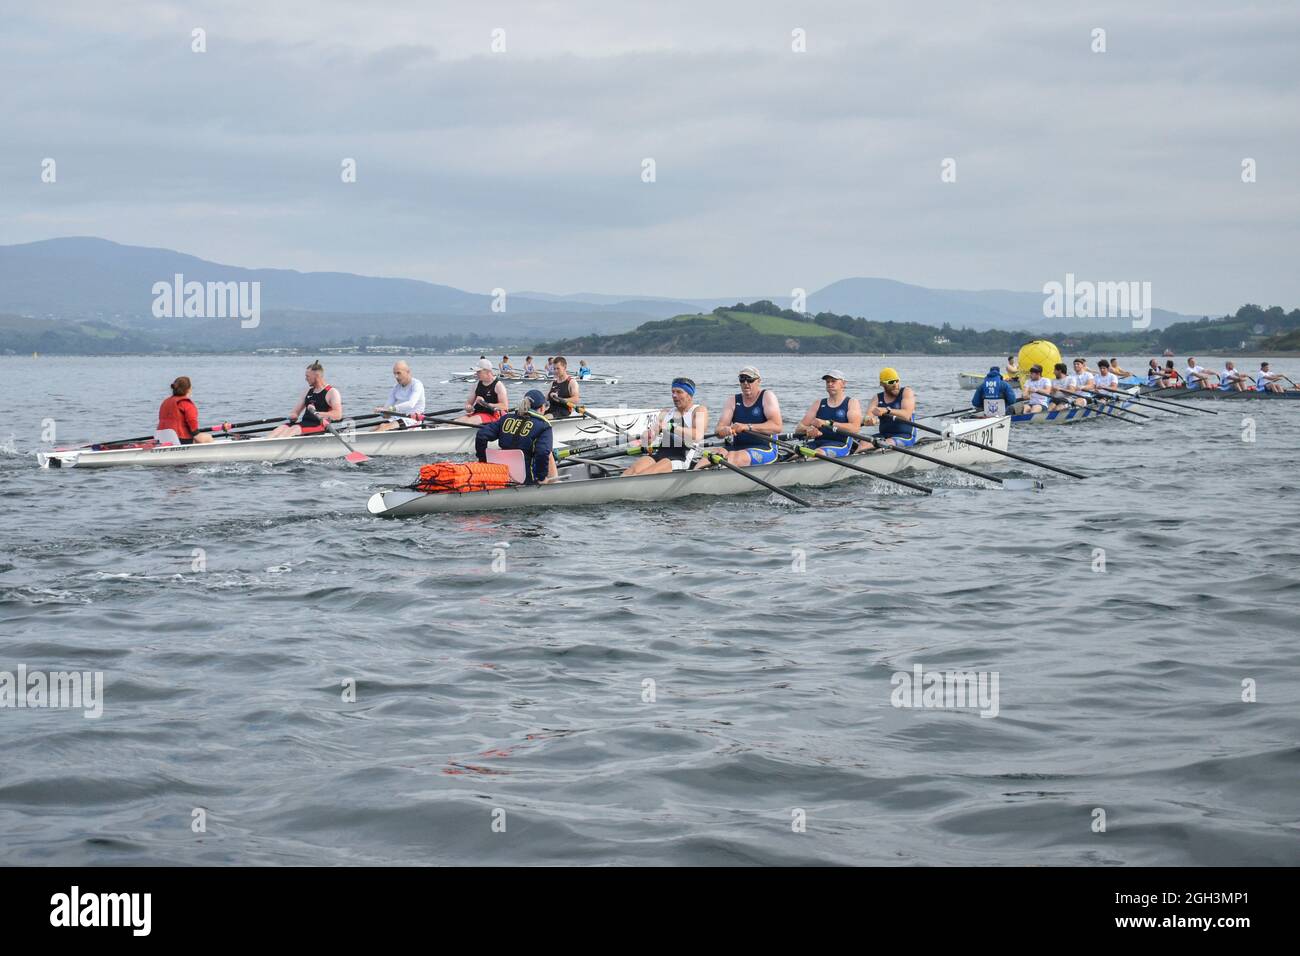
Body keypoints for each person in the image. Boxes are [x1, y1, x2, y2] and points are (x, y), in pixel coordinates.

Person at [623, 378, 710, 475]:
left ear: (689, 395)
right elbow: (651, 436)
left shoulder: (699, 410)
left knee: (651, 470)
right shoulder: (665, 413)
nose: (674, 395)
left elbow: (697, 435)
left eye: (679, 392)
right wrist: (646, 438)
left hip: (682, 458)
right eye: (673, 392)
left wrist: (670, 426)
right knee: (636, 467)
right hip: (660, 454)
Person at [701, 365, 783, 467]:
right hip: (737, 447)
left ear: (759, 381)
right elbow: (718, 430)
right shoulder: (732, 400)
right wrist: (724, 430)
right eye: (742, 380)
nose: (745, 383)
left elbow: (777, 426)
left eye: (750, 380)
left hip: (765, 448)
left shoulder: (767, 396)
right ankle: (694, 475)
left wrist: (747, 427)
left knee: (734, 457)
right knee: (711, 455)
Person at [475, 390, 555, 485]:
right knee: (548, 454)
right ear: (542, 408)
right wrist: (541, 477)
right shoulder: (544, 426)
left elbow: (481, 435)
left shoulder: (505, 418)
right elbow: (542, 452)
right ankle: (554, 484)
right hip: (526, 479)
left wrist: (483, 461)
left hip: (500, 473)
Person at [268, 360, 343, 438]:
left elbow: (338, 415)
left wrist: (316, 413)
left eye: (307, 376)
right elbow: (295, 412)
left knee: (294, 429)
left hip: (320, 425)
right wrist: (294, 415)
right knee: (281, 428)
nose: (305, 379)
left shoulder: (332, 392)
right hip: (304, 423)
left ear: (316, 376)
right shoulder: (307, 391)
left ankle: (275, 446)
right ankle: (265, 444)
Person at [797, 370, 862, 457]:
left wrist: (828, 423)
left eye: (833, 381)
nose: (830, 384)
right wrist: (807, 429)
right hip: (817, 443)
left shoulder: (852, 402)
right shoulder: (818, 403)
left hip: (841, 445)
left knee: (818, 453)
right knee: (795, 453)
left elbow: (855, 428)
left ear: (843, 383)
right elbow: (798, 428)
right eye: (828, 382)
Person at [865, 367, 918, 445]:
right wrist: (869, 420)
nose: (895, 385)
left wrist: (887, 410)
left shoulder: (906, 392)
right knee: (864, 442)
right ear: (882, 384)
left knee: (887, 443)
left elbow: (906, 415)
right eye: (891, 382)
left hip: (905, 436)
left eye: (897, 381)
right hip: (884, 436)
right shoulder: (876, 398)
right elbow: (867, 417)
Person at [157, 376, 216, 444]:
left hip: (162, 438)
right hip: (180, 438)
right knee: (208, 437)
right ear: (188, 389)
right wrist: (197, 435)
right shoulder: (186, 403)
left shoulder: (165, 402)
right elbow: (192, 421)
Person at [374, 360, 426, 431]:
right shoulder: (396, 387)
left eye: (399, 373)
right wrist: (383, 412)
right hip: (399, 418)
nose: (396, 376)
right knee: (376, 428)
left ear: (408, 372)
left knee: (383, 428)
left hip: (414, 420)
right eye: (394, 374)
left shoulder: (417, 384)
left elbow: (411, 404)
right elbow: (387, 406)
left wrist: (390, 409)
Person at [458, 358, 508, 424]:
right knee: (456, 421)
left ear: (488, 372)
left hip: (493, 415)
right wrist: (468, 407)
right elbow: (468, 403)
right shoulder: (476, 385)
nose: (476, 374)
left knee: (469, 422)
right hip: (477, 413)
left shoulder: (498, 386)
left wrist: (485, 404)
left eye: (479, 372)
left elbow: (504, 406)